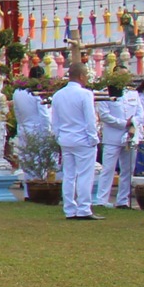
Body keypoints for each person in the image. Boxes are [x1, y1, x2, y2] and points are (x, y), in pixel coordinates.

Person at [51, 64, 99, 219]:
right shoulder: (85, 94)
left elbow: (55, 120)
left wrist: (57, 136)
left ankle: (69, 209)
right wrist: (93, 137)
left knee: (69, 175)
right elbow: (90, 119)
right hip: (82, 139)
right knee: (85, 175)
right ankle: (84, 209)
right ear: (81, 76)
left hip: (66, 139)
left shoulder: (58, 95)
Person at [93, 79, 133, 210]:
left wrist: (133, 124)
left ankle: (123, 200)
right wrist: (123, 123)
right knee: (108, 169)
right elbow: (104, 116)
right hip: (112, 137)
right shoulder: (105, 95)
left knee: (127, 169)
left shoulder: (131, 94)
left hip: (130, 135)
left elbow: (139, 112)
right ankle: (102, 199)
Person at [11, 67, 51, 177]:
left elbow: (17, 112)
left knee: (26, 159)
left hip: (23, 128)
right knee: (38, 160)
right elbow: (44, 114)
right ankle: (37, 185)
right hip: (37, 129)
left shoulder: (17, 92)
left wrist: (21, 126)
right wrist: (47, 131)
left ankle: (27, 189)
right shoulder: (36, 92)